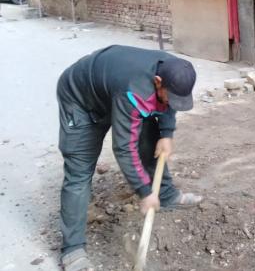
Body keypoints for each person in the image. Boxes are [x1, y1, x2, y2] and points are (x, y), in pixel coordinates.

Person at [57, 45, 203, 271]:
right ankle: (72, 248)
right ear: (157, 81)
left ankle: (166, 195)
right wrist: (144, 192)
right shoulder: (135, 90)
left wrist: (167, 133)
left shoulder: (173, 70)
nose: (172, 102)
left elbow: (169, 102)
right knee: (79, 171)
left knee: (150, 141)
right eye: (169, 96)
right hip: (82, 101)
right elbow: (124, 148)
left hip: (114, 90)